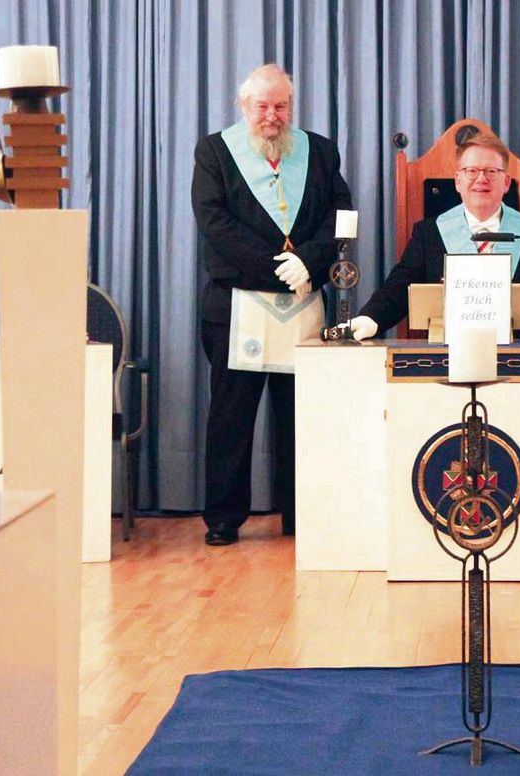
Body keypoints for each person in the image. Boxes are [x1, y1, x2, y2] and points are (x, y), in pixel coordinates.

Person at [192, 64, 352, 546]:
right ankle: (223, 518)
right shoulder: (215, 151)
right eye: (262, 106)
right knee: (231, 420)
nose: (272, 116)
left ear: (291, 106)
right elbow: (214, 221)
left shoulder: (319, 150)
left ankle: (299, 512)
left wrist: (309, 262)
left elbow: (340, 215)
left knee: (300, 416)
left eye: (280, 105)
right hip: (237, 304)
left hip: (304, 298)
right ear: (245, 107)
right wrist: (277, 265)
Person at [349, 132, 520, 342]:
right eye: (471, 171)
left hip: (513, 358)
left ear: (506, 183)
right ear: (458, 181)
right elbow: (398, 289)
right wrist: (371, 318)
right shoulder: (429, 233)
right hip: (444, 356)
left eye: (491, 171)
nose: (481, 178)